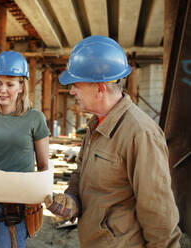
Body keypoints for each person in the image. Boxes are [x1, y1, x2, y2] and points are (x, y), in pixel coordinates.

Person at [45, 35, 181, 248]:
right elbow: (82, 172)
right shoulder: (96, 124)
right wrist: (72, 199)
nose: (71, 91)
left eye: (76, 85)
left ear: (100, 88)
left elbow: (159, 215)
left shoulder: (140, 133)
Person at [0, 51, 50, 248]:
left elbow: (43, 165)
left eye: (10, 84)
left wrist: (42, 198)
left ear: (22, 86)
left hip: (18, 203)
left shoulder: (35, 119)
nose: (2, 90)